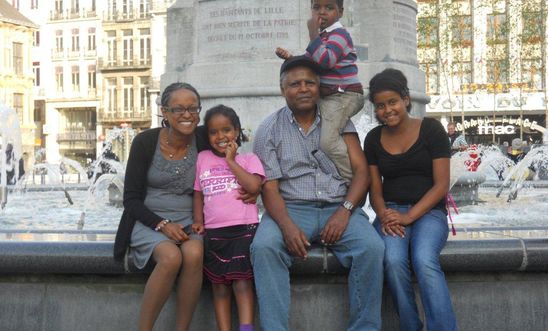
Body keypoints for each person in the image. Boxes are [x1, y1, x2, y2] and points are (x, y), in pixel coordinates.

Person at [251, 56, 384, 331]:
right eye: (295, 84)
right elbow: (270, 188)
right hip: (292, 208)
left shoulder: (338, 121)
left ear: (319, 86)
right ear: (282, 90)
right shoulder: (268, 129)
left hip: (339, 205)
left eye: (310, 83)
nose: (303, 88)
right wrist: (286, 227)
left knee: (372, 248)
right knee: (263, 247)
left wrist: (345, 211)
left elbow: (361, 172)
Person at [363, 68, 457, 331]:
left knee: (424, 259)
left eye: (392, 102)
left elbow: (441, 185)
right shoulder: (372, 139)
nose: (387, 110)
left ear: (405, 99)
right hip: (391, 213)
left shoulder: (431, 129)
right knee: (392, 261)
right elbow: (375, 189)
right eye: (380, 106)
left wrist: (408, 217)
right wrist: (384, 215)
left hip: (429, 213)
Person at [113, 82, 208, 331]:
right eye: (178, 109)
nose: (187, 114)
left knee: (194, 253)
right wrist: (162, 224)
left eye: (193, 108)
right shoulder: (145, 142)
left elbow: (230, 140)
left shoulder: (203, 139)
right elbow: (131, 199)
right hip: (148, 219)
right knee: (170, 257)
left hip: (189, 219)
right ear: (164, 112)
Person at [193, 105, 265, 331]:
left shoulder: (249, 159)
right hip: (214, 232)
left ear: (237, 131)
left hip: (243, 229)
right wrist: (198, 220)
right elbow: (198, 193)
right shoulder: (202, 158)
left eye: (226, 130)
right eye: (214, 132)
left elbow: (254, 185)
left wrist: (231, 161)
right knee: (219, 286)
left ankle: (246, 328)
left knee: (242, 283)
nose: (220, 136)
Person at [275, 0, 365, 181]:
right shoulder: (322, 38)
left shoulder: (339, 35)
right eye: (317, 8)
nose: (321, 12)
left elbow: (326, 60)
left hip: (344, 95)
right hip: (331, 97)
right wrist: (291, 59)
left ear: (340, 12)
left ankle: (352, 178)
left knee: (328, 142)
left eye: (329, 8)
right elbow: (310, 65)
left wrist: (312, 33)